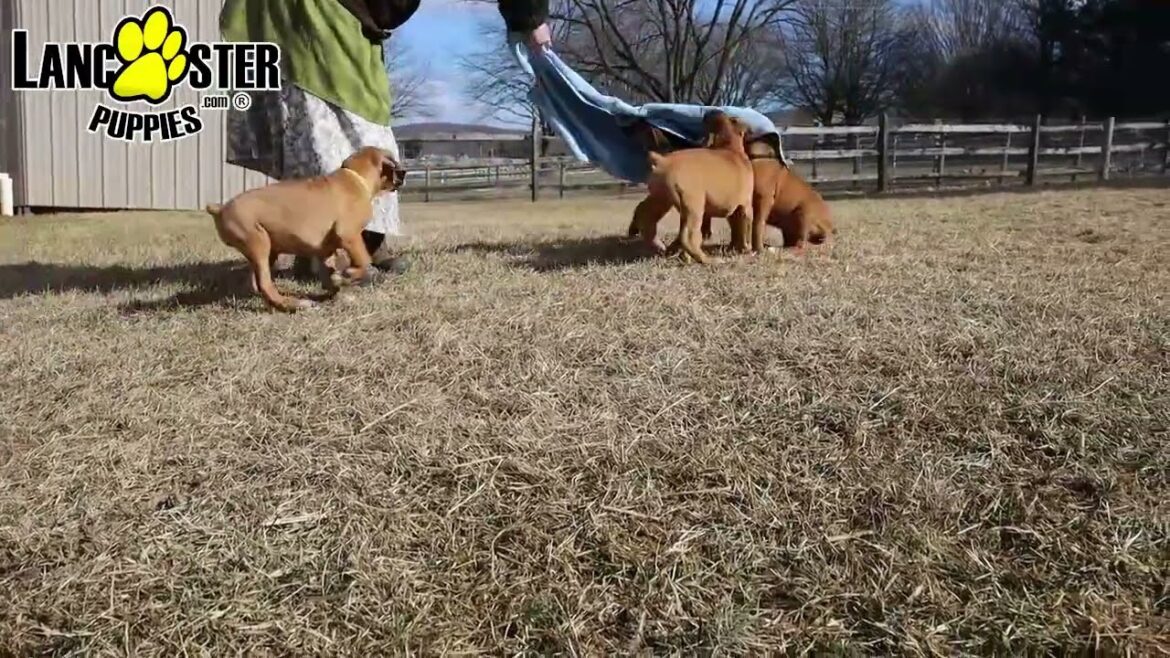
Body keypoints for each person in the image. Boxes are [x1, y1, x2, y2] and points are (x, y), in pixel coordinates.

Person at [219, 0, 551, 277]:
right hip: (311, 15)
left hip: (330, 15)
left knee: (324, 126)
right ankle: (335, 250)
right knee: (338, 130)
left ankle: (332, 248)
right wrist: (530, 16)